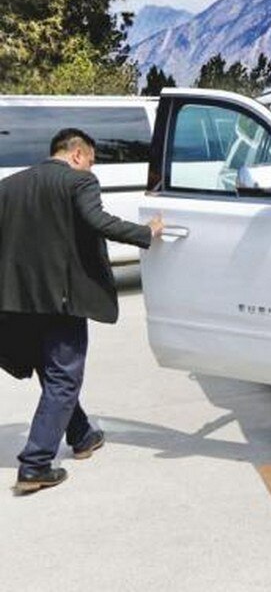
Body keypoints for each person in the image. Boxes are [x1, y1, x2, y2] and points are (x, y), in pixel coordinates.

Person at [0, 128, 163, 493]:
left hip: (16, 301)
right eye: (90, 160)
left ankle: (82, 435)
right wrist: (146, 233)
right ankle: (36, 463)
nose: (91, 168)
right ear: (76, 154)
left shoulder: (10, 185)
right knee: (64, 376)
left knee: (52, 371)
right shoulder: (79, 182)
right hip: (61, 299)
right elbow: (98, 221)